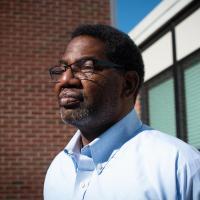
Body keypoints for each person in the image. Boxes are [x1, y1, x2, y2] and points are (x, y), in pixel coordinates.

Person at [44, 24, 200, 200]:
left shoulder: (181, 166)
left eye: (87, 67)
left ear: (128, 84)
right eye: (62, 69)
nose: (65, 80)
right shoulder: (57, 169)